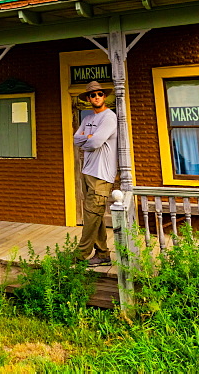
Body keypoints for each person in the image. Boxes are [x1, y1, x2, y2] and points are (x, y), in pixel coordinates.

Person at [73, 80, 118, 267]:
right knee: (94, 214)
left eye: (99, 94)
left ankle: (80, 253)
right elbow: (76, 139)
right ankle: (103, 253)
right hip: (87, 171)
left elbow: (96, 142)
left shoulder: (109, 117)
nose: (96, 97)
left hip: (102, 174)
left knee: (92, 214)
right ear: (89, 99)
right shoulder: (87, 119)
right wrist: (88, 138)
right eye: (93, 95)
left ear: (104, 96)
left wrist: (89, 139)